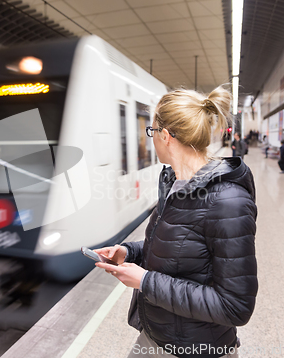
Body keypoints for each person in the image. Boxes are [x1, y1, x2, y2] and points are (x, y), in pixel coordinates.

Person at [95, 86, 258, 358]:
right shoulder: (175, 183)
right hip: (157, 336)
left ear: (166, 136)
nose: (151, 139)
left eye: (152, 132)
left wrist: (145, 281)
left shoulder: (228, 201)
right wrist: (128, 251)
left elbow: (235, 306)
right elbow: (176, 242)